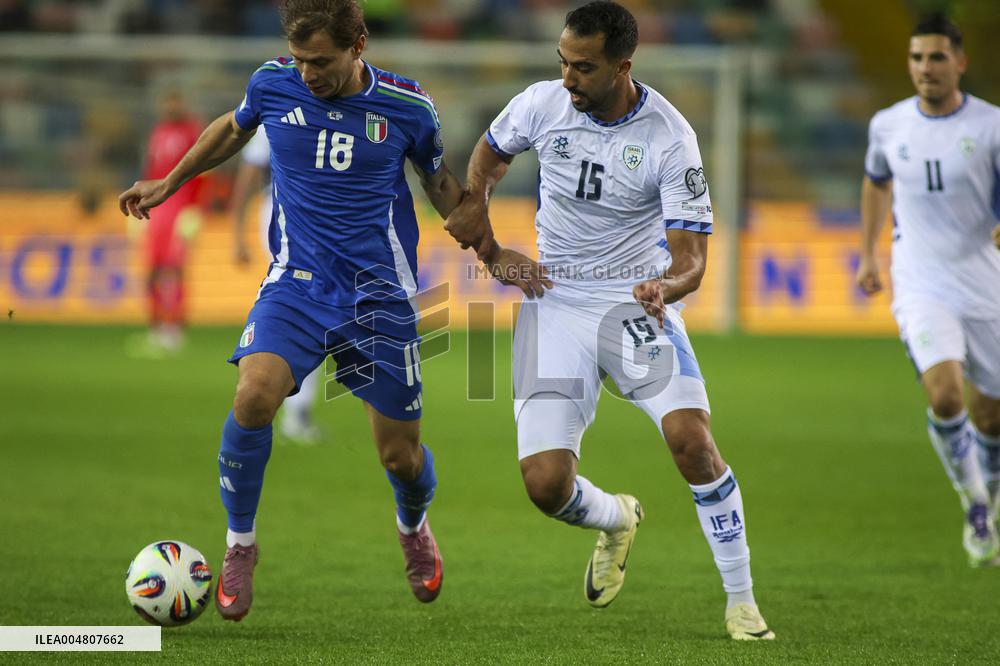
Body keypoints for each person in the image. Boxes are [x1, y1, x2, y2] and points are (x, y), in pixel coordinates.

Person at [119, 0, 465, 620]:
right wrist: (169, 183)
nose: (308, 73)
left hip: (378, 297)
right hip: (296, 287)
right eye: (301, 59)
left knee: (400, 455)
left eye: (322, 61)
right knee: (254, 396)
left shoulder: (408, 106)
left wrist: (489, 247)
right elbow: (233, 129)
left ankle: (413, 525)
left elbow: (440, 183)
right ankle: (240, 545)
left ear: (358, 45)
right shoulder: (272, 83)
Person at [445, 0, 773, 641]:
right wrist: (489, 242)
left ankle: (742, 602)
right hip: (553, 301)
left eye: (584, 68)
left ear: (623, 66)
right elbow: (488, 155)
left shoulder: (670, 138)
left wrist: (665, 286)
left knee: (691, 440)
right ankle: (617, 519)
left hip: (632, 304)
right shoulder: (541, 104)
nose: (568, 78)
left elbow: (693, 261)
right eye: (563, 62)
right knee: (545, 485)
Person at [856, 14, 1000, 566]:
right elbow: (875, 182)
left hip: (984, 282)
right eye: (917, 57)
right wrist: (869, 253)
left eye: (937, 57)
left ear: (959, 62)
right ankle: (975, 503)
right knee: (944, 396)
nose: (925, 67)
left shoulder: (990, 126)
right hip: (920, 282)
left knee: (992, 416)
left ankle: (988, 489)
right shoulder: (888, 125)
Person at [230, 127, 324, 445]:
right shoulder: (276, 113)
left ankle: (285, 403)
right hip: (285, 213)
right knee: (307, 303)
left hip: (322, 213)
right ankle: (292, 408)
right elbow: (249, 174)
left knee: (307, 304)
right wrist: (237, 233)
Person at [127, 90, 203, 357]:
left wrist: (195, 208)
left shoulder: (193, 132)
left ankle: (175, 329)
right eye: (167, 103)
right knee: (152, 269)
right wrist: (141, 203)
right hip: (157, 211)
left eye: (175, 102)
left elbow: (202, 172)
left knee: (175, 269)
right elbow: (151, 172)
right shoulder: (158, 133)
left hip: (181, 209)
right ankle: (156, 327)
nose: (170, 107)